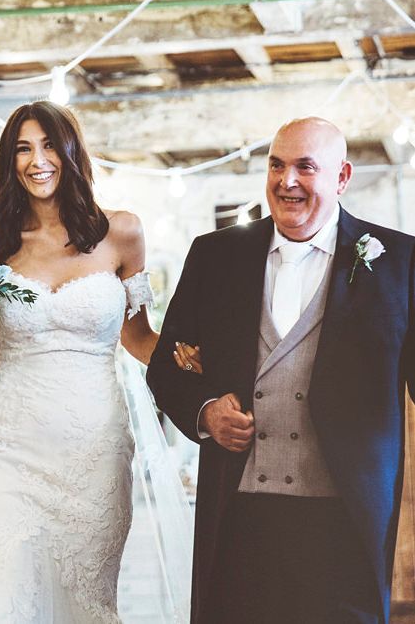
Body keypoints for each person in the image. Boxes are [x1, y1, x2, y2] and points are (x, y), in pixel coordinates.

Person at [0, 100, 191, 623]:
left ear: (70, 152)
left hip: (93, 447)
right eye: (22, 148)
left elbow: (138, 337)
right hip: (5, 448)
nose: (36, 159)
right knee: (1, 590)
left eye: (47, 145)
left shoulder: (122, 232)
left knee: (86, 599)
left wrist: (201, 361)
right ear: (9, 163)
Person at [147, 117, 415, 624]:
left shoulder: (399, 261)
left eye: (305, 167)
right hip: (240, 517)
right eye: (276, 165)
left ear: (341, 178)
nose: (286, 181)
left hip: (347, 520)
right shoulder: (215, 255)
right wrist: (205, 413)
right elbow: (167, 367)